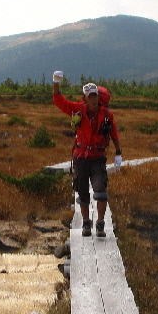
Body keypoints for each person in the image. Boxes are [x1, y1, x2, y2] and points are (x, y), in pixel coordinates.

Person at [52, 72, 122, 237]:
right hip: (81, 158)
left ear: (98, 96)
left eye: (95, 95)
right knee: (83, 193)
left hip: (98, 157)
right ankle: (86, 224)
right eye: (90, 96)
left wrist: (118, 152)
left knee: (100, 191)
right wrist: (56, 83)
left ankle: (100, 224)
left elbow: (114, 134)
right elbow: (59, 100)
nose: (93, 99)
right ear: (84, 98)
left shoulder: (107, 115)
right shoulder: (78, 110)